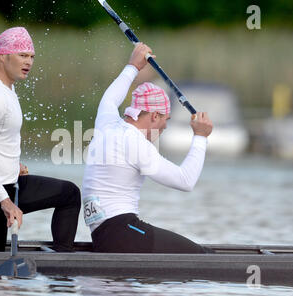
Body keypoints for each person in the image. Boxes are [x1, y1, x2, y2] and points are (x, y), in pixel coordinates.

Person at [0, 27, 81, 252]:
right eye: (23, 55)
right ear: (3, 56)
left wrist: (12, 165)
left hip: (7, 184)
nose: (29, 62)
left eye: (32, 57)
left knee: (69, 194)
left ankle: (62, 267)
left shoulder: (0, 82)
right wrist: (4, 202)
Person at [81, 43, 213, 253]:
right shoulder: (135, 143)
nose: (165, 126)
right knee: (203, 256)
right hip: (121, 232)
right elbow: (186, 181)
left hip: (102, 234)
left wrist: (133, 66)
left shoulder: (107, 123)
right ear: (154, 116)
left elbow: (110, 98)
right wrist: (200, 137)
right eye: (165, 119)